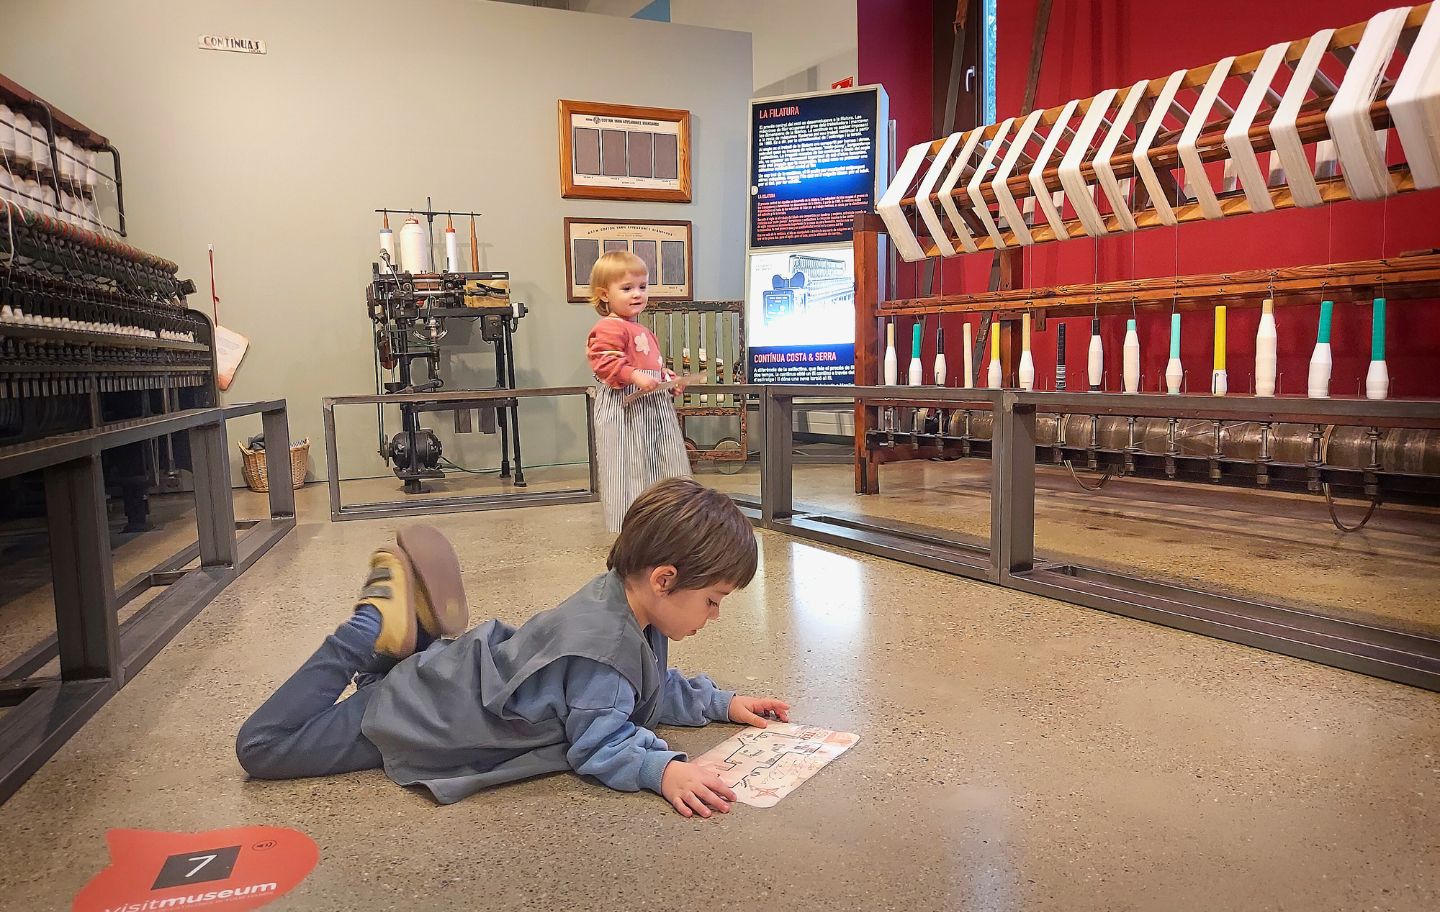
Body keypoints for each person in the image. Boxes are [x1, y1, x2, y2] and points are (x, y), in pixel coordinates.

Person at [236, 478, 789, 818]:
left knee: (391, 684)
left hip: (450, 680)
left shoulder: (620, 603)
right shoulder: (604, 653)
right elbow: (600, 742)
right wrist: (664, 771)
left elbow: (643, 688)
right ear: (664, 579)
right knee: (261, 748)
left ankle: (409, 637)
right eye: (713, 601)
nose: (714, 617)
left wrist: (722, 704)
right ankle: (365, 633)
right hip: (422, 717)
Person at [586, 250, 692, 532]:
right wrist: (633, 375)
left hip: (653, 408)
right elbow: (605, 362)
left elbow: (651, 365)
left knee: (662, 460)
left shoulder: (642, 330)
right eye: (627, 288)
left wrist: (668, 378)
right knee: (629, 466)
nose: (637, 294)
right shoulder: (608, 327)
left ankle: (667, 519)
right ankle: (632, 526)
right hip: (626, 408)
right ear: (604, 294)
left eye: (642, 287)